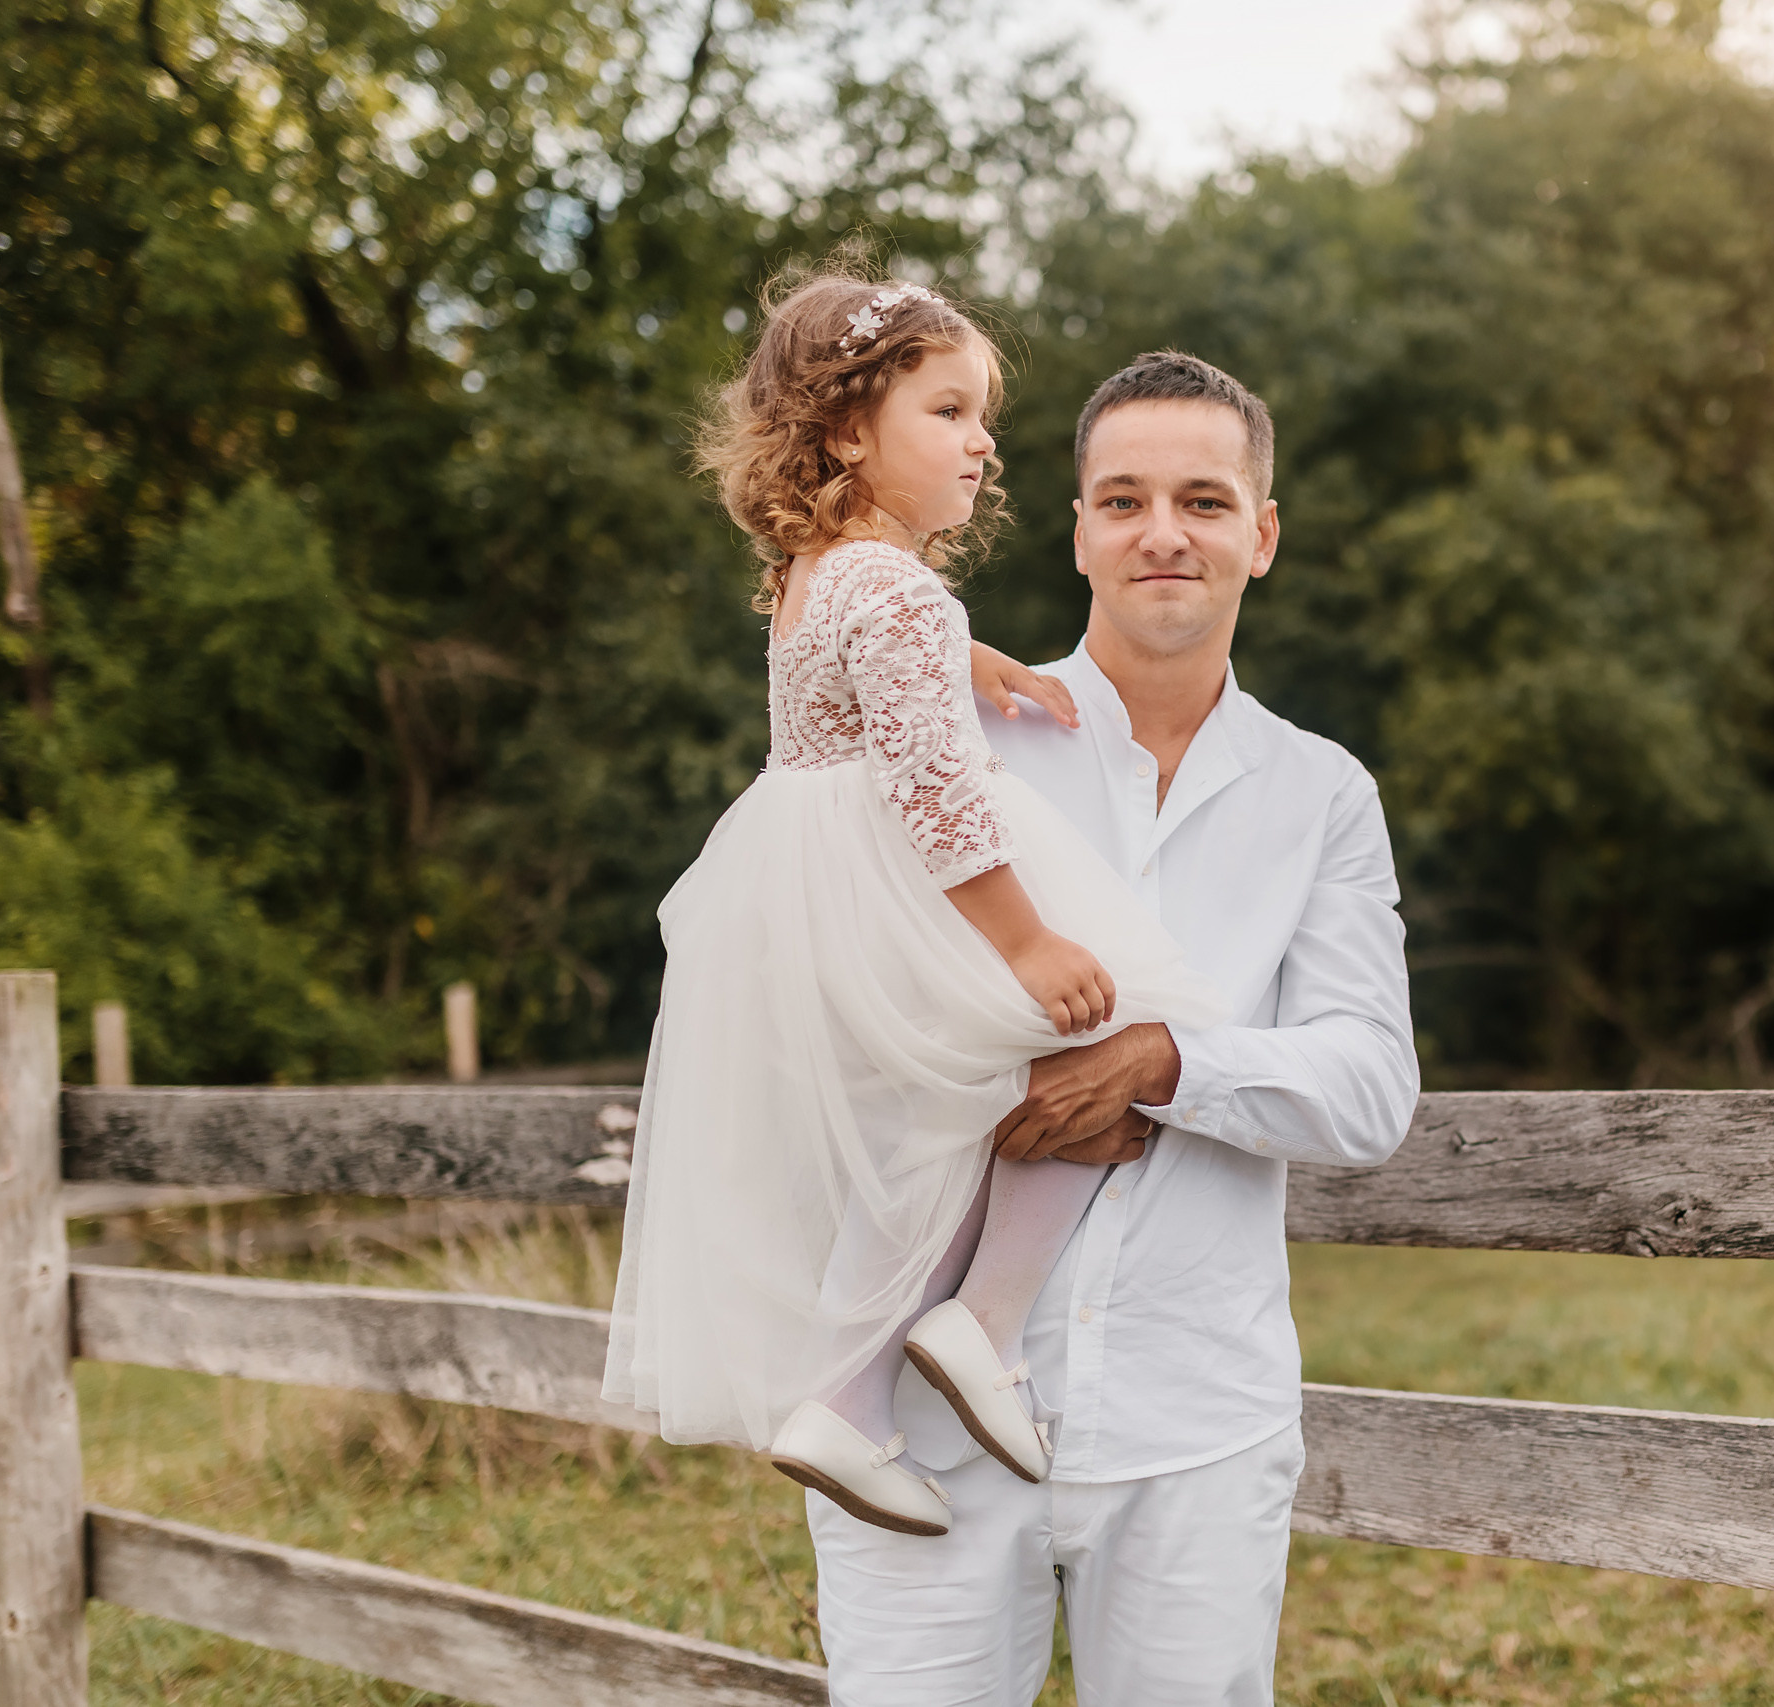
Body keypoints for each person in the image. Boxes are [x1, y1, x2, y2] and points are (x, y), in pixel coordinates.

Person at [806, 350, 1420, 1704]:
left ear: (1260, 535)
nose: (1162, 532)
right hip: (919, 1429)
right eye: (1124, 497)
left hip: (1191, 1417)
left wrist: (1167, 1063)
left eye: (1203, 500)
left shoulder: (1320, 794)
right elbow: (815, 984)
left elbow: (1370, 1082)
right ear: (1078, 527)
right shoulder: (946, 734)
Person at [602, 266, 1223, 1537]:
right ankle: (982, 1324)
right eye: (948, 411)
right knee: (1122, 1037)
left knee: (951, 1132)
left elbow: (873, 658)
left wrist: (969, 654)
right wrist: (1026, 940)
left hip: (795, 891)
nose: (981, 441)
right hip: (902, 878)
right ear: (846, 432)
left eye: (980, 416)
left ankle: (846, 1396)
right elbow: (937, 792)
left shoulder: (821, 571)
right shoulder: (892, 590)